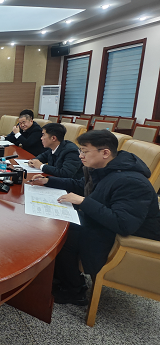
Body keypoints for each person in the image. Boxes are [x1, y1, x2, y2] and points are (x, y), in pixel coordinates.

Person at [31, 130, 160, 306]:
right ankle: (59, 276)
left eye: (84, 151)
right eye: (80, 150)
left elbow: (124, 224)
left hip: (126, 239)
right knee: (58, 222)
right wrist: (48, 181)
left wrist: (83, 201)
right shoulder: (105, 168)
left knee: (65, 234)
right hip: (105, 223)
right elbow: (81, 185)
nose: (80, 156)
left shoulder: (131, 181)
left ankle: (74, 290)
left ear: (105, 152)